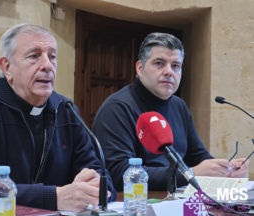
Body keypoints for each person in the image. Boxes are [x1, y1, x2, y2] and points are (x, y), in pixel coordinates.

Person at [0, 23, 116, 212]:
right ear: (7, 67)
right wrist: (53, 197)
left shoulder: (66, 110)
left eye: (52, 56)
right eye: (34, 56)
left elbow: (103, 178)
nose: (48, 65)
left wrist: (96, 186)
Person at [92, 32, 249, 191]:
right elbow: (119, 173)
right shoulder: (117, 108)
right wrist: (189, 174)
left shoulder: (179, 106)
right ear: (140, 68)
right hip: (136, 203)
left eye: (175, 66)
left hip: (177, 199)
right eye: (159, 63)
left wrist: (226, 170)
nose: (169, 71)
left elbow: (198, 157)